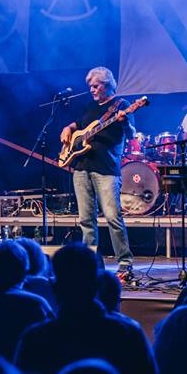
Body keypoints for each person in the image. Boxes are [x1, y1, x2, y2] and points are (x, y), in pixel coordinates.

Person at [59, 67, 135, 281]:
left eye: (96, 86)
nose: (92, 89)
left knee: (113, 217)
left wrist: (125, 122)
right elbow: (79, 124)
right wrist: (68, 128)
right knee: (86, 220)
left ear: (107, 85)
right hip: (81, 168)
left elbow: (131, 134)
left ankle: (125, 264)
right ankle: (89, 263)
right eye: (90, 86)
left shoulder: (122, 105)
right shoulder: (90, 106)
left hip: (106, 170)